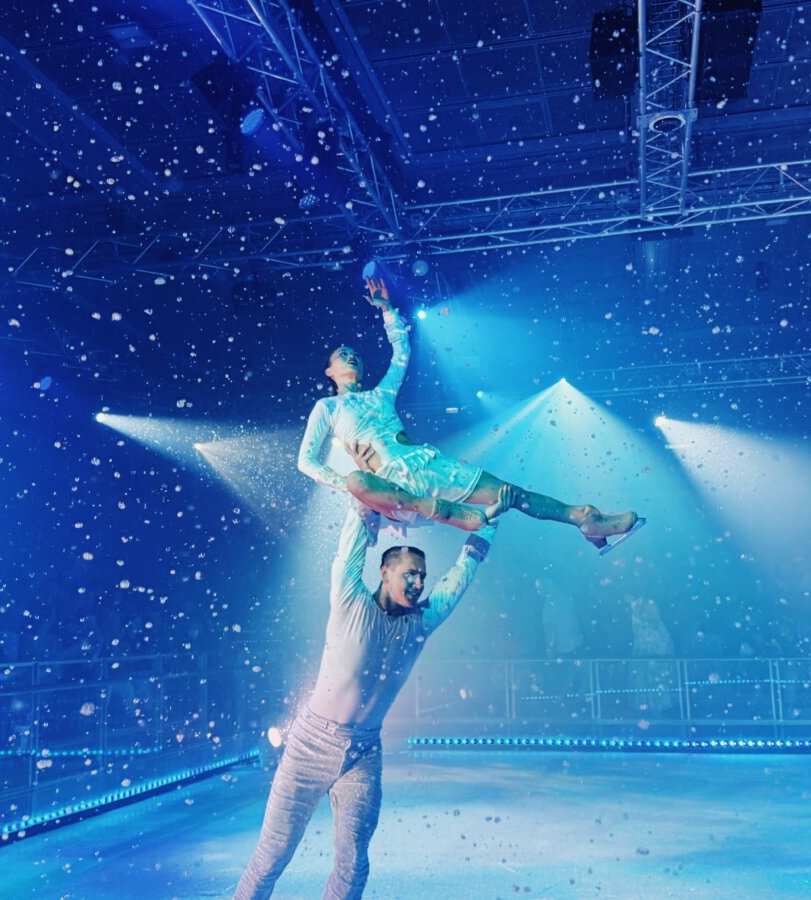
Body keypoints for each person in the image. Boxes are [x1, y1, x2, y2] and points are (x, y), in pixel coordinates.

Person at [234, 466, 516, 900]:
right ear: (385, 572)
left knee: (353, 860)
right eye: (410, 573)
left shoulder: (421, 623)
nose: (419, 582)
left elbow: (460, 575)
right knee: (273, 853)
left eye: (422, 576)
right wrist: (368, 492)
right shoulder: (350, 602)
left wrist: (488, 523)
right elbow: (350, 546)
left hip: (363, 751)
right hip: (310, 745)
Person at [297, 276, 645, 554]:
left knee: (511, 493)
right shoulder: (328, 407)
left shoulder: (381, 393)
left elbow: (401, 352)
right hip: (392, 484)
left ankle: (584, 519)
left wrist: (387, 310)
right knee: (361, 484)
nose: (351, 357)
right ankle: (458, 516)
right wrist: (350, 487)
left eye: (354, 353)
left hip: (427, 463)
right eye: (342, 355)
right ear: (329, 372)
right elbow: (306, 462)